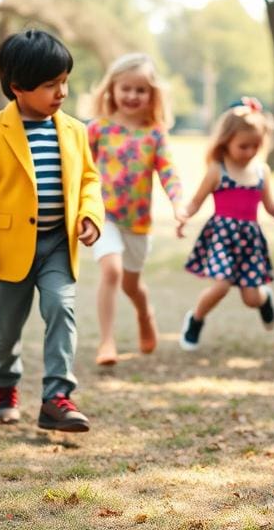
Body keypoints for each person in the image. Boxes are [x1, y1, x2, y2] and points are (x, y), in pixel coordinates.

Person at [0, 29, 104, 432]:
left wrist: (91, 216)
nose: (62, 92)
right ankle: (4, 384)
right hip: (7, 247)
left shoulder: (76, 130)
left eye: (64, 82)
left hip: (58, 243)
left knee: (62, 307)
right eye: (50, 85)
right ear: (18, 88)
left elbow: (90, 180)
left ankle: (56, 397)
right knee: (7, 325)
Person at [86, 53, 185, 366]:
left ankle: (145, 312)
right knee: (111, 271)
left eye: (140, 90)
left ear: (152, 94)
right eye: (125, 88)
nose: (132, 95)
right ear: (112, 89)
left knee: (132, 284)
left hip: (138, 223)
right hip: (104, 216)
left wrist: (178, 205)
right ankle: (107, 342)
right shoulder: (98, 129)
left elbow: (168, 172)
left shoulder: (154, 133)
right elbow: (80, 170)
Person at [177, 98, 274, 350]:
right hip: (222, 238)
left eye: (256, 146)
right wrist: (183, 215)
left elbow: (272, 207)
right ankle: (196, 319)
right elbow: (195, 202)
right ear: (226, 141)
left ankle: (264, 298)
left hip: (250, 242)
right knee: (222, 285)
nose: (249, 152)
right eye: (243, 146)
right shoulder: (218, 170)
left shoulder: (262, 172)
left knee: (251, 298)